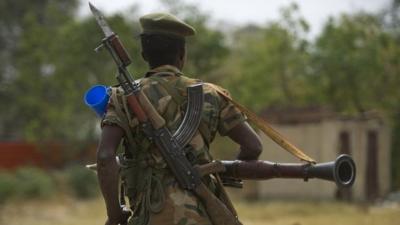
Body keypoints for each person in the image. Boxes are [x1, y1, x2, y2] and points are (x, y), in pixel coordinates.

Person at [96, 12, 262, 225]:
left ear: (144, 54)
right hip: (203, 217)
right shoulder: (211, 94)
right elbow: (253, 146)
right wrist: (224, 174)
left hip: (149, 215)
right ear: (182, 54)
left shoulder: (122, 97)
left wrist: (114, 213)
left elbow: (104, 156)